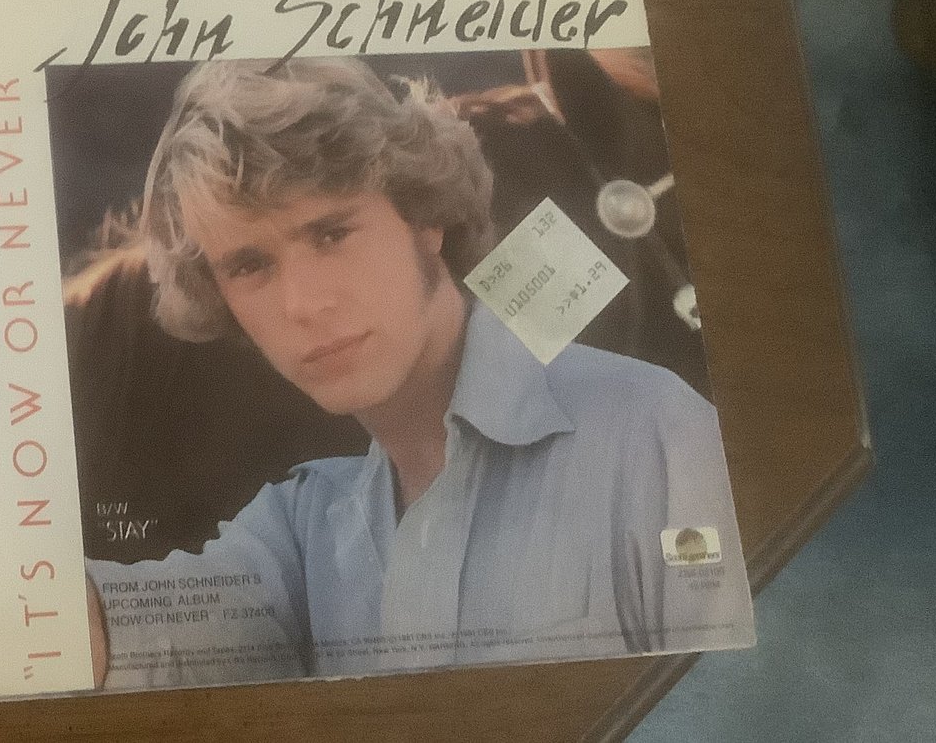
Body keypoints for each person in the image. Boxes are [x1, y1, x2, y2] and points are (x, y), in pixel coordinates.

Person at [86, 58, 753, 687]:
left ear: (425, 220)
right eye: (250, 266)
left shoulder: (656, 436)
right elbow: (121, 632)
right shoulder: (302, 530)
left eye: (331, 233)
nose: (304, 305)